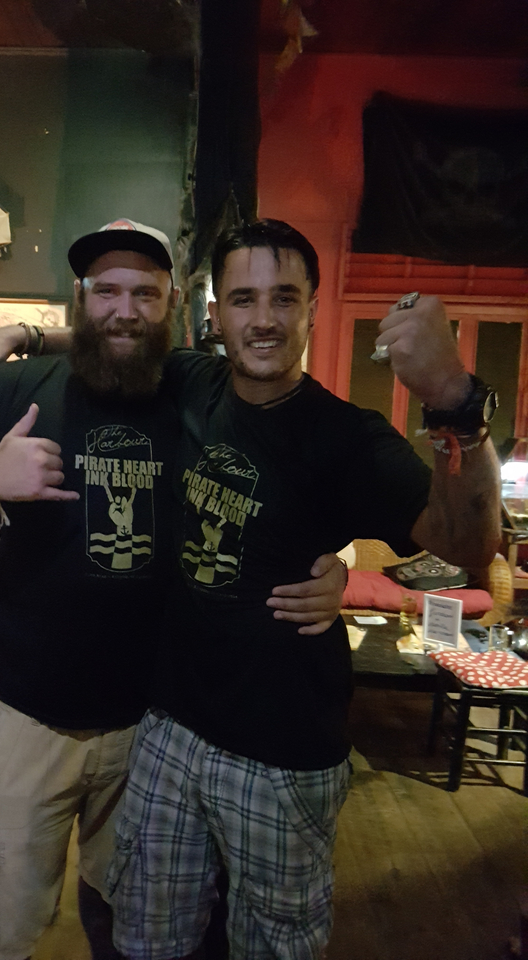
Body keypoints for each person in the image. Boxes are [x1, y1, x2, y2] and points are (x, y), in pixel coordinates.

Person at [0, 220, 347, 960]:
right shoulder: (14, 390)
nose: (124, 309)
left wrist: (328, 565)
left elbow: (281, 479)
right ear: (80, 299)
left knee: (127, 920)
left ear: (173, 303)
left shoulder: (197, 392)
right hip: (32, 722)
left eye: (144, 292)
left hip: (154, 729)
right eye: (105, 291)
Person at [102, 220, 501, 960]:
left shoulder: (349, 438)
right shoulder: (193, 380)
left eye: (284, 298)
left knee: (275, 948)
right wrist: (26, 336)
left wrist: (454, 399)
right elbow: (115, 347)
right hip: (169, 728)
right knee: (147, 938)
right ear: (215, 312)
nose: (262, 320)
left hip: (281, 754)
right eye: (244, 298)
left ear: (312, 307)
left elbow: (471, 546)